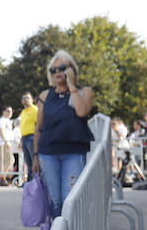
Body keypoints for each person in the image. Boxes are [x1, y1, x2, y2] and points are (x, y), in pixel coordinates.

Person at [33, 50, 95, 219]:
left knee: (70, 200)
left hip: (73, 153)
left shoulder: (85, 92)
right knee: (55, 201)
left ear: (72, 69)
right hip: (48, 153)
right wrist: (35, 155)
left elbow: (81, 111)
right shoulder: (45, 95)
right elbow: (38, 127)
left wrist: (72, 85)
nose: (57, 72)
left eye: (62, 68)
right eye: (53, 70)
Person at [18, 92, 38, 183]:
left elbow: (38, 124)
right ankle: (30, 182)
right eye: (23, 98)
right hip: (24, 138)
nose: (25, 100)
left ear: (32, 100)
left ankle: (36, 181)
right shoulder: (23, 112)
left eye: (27, 98)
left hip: (32, 137)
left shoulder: (35, 110)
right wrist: (21, 140)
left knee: (34, 161)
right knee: (28, 162)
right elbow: (23, 126)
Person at [0, 106, 17, 185]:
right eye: (8, 111)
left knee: (2, 162)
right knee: (10, 160)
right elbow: (1, 131)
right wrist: (6, 141)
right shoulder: (2, 120)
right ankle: (2, 178)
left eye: (11, 111)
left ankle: (0, 178)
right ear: (3, 111)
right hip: (2, 143)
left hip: (3, 143)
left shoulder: (7, 120)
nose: (10, 113)